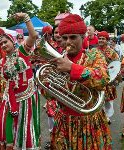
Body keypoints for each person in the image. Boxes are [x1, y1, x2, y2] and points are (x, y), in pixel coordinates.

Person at [44, 14, 112, 150]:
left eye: (73, 37)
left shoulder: (94, 55)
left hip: (89, 122)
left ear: (83, 37)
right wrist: (46, 84)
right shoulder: (56, 60)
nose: (68, 42)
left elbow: (103, 78)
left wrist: (72, 68)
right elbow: (49, 95)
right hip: (64, 121)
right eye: (64, 38)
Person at [0, 12, 41, 150]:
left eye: (5, 42)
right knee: (1, 125)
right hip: (9, 97)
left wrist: (26, 18)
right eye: (1, 44)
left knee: (24, 128)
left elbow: (33, 36)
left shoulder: (23, 51)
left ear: (13, 41)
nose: (3, 45)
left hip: (26, 97)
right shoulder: (2, 62)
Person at [92, 31, 119, 124]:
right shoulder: (93, 51)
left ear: (107, 40)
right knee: (98, 99)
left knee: (108, 102)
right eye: (99, 38)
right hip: (97, 80)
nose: (101, 40)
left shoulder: (112, 52)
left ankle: (107, 117)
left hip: (109, 81)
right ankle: (100, 117)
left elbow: (116, 65)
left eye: (103, 39)